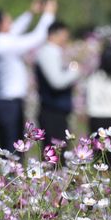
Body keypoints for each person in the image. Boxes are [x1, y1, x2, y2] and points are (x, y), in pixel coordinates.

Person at [0, 0, 57, 153]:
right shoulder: (4, 45)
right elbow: (36, 38)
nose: (11, 21)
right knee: (12, 150)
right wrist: (48, 15)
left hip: (5, 103)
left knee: (10, 147)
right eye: (7, 19)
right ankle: (10, 177)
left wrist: (31, 13)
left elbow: (15, 30)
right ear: (0, 25)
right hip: (10, 104)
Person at [35, 21, 80, 156]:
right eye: (64, 35)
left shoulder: (51, 52)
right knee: (55, 154)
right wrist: (74, 72)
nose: (65, 39)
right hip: (52, 109)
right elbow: (57, 82)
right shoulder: (49, 52)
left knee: (56, 152)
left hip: (55, 108)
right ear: (54, 35)